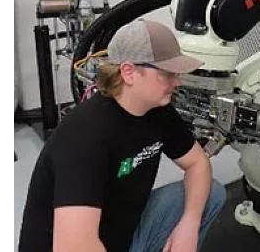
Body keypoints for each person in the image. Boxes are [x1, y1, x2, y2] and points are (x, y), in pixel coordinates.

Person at [19, 18, 227, 252]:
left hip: (120, 236)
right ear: (128, 72)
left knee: (212, 193)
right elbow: (73, 246)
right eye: (167, 73)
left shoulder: (158, 111)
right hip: (78, 246)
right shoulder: (85, 136)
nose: (177, 81)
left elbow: (197, 163)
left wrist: (189, 224)